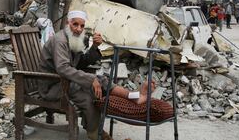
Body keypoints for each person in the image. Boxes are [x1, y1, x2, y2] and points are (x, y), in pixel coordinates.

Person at [38, 10, 153, 140]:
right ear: (67, 23)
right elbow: (63, 68)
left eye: (82, 26)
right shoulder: (60, 41)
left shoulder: (73, 39)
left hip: (65, 81)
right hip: (52, 86)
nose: (78, 29)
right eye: (75, 24)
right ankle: (94, 132)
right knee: (89, 95)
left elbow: (80, 63)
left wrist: (95, 47)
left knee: (102, 80)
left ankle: (134, 97)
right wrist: (90, 79)